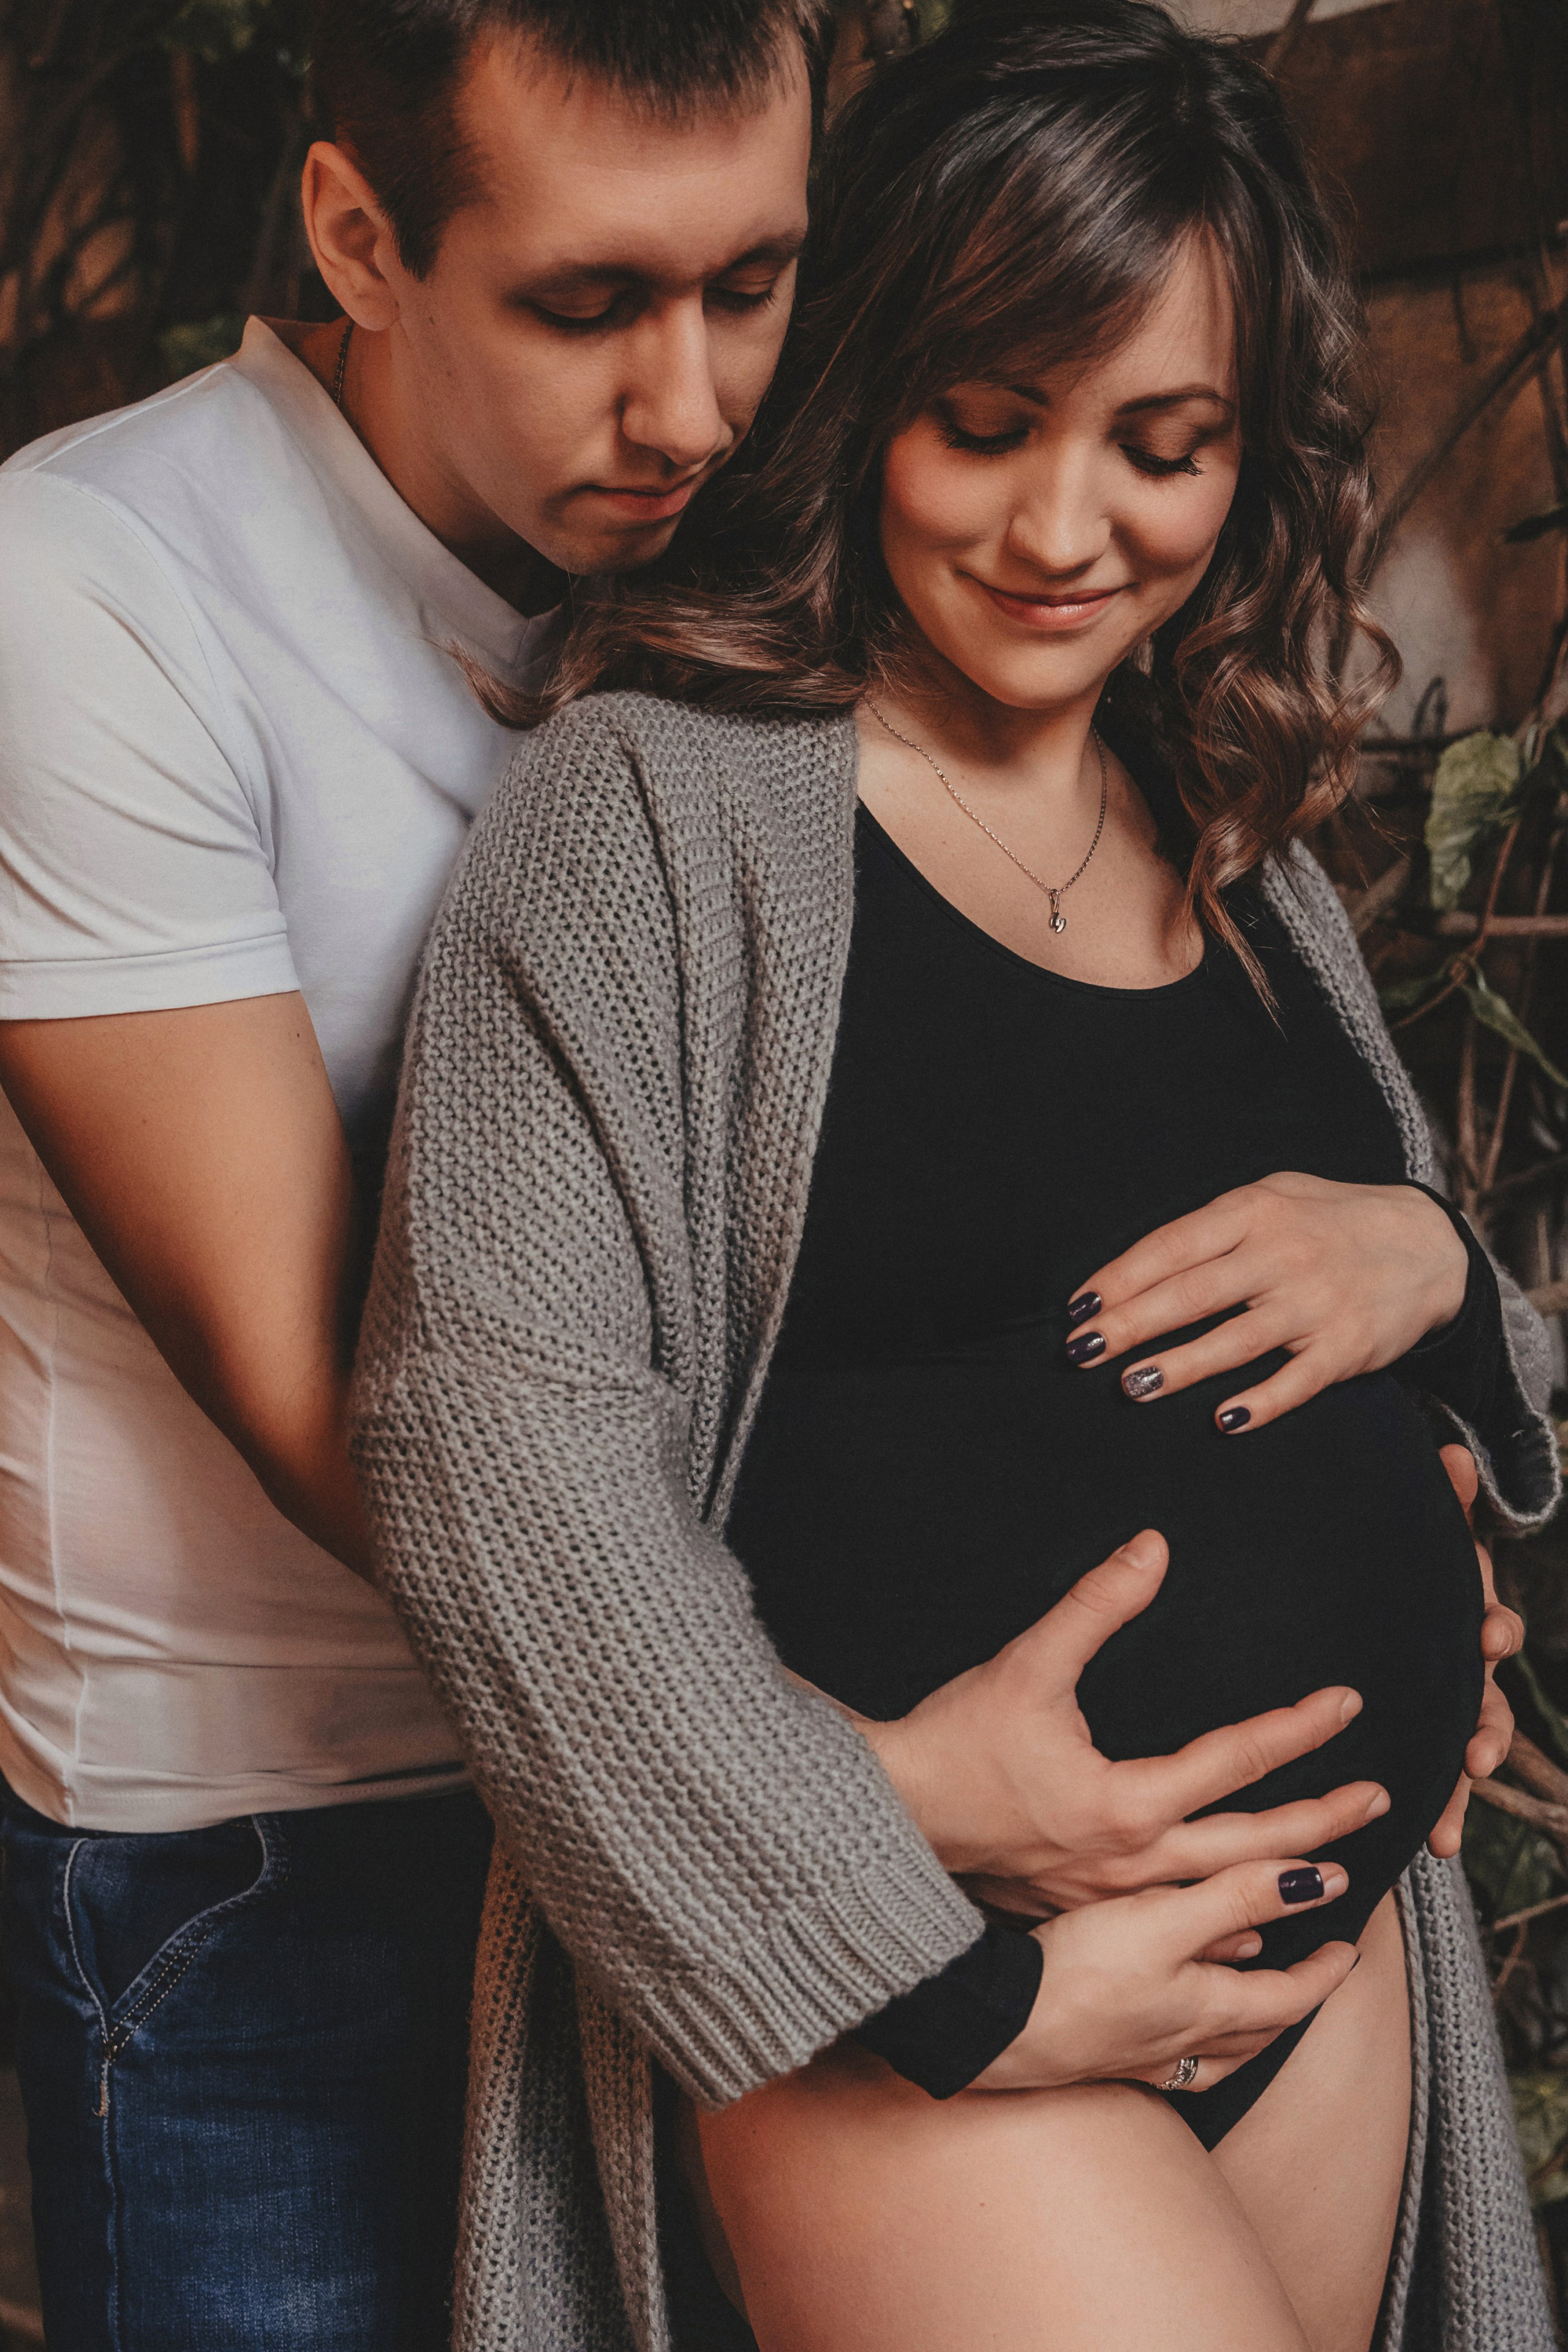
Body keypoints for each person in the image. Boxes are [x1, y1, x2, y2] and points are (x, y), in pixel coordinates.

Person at [0, 4, 1448, 2344]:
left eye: (755, 289)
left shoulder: (904, 658)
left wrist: (1431, 1357)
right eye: (590, 305)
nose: (692, 405)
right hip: (290, 1831)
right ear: (362, 238)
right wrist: (876, 1828)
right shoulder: (89, 601)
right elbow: (386, 1406)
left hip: (841, 1853)